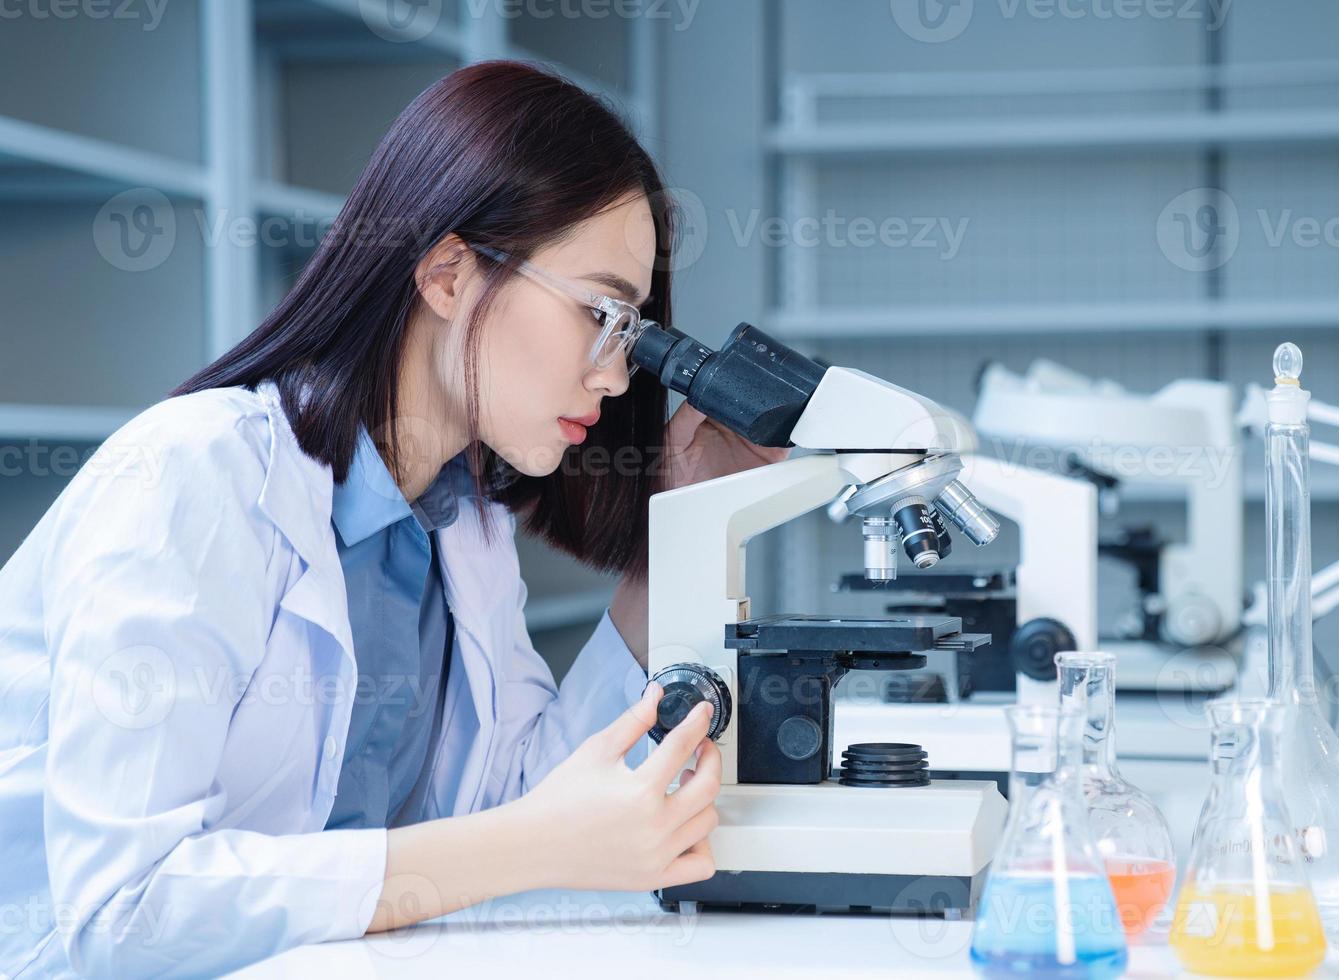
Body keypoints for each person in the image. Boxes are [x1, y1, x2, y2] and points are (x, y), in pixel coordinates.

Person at [0, 61, 780, 979]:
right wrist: (532, 843)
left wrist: (683, 525)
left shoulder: (461, 527)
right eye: (603, 313)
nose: (617, 376)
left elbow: (532, 800)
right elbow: (123, 911)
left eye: (636, 332)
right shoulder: (192, 481)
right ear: (448, 274)